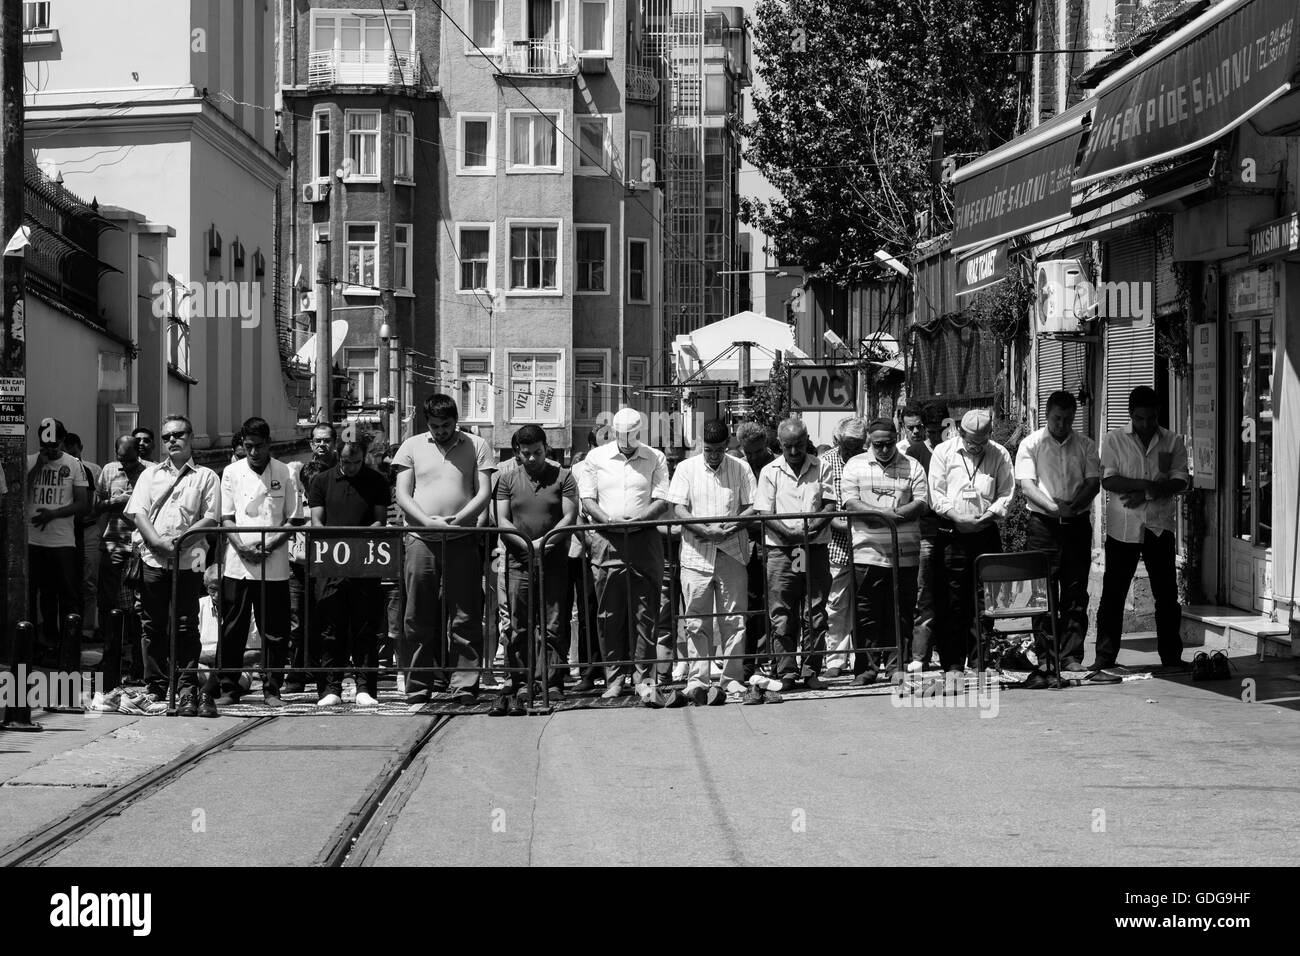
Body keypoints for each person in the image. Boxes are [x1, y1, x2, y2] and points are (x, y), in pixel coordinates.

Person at [394, 393, 495, 708]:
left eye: (446, 425)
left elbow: (484, 492)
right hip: (420, 540)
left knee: (465, 614)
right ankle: (418, 683)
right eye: (435, 426)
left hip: (462, 538)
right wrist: (425, 522)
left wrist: (458, 521)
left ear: (457, 421)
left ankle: (464, 683)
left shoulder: (477, 445)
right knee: (417, 614)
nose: (441, 431)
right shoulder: (411, 446)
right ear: (427, 422)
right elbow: (402, 492)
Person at [125, 414, 221, 717]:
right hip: (154, 558)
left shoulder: (206, 476)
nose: (171, 441)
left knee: (185, 625)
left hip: (190, 559)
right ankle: (155, 685)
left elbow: (211, 516)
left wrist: (182, 542)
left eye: (178, 435)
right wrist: (157, 543)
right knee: (152, 625)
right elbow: (138, 513)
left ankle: (186, 688)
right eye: (166, 437)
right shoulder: (150, 475)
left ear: (190, 437)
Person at [206, 416, 304, 710]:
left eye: (258, 446)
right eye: (248, 446)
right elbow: (227, 517)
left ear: (268, 444)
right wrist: (242, 547)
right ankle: (228, 687)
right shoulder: (231, 473)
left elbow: (294, 519)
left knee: (274, 631)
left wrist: (270, 545)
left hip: (274, 565)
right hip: (238, 564)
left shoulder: (285, 472)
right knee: (232, 629)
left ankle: (272, 687)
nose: (253, 452)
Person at [578, 407, 672, 701]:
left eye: (632, 435)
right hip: (608, 540)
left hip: (644, 540)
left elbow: (662, 498)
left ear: (639, 432)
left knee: (647, 611)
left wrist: (641, 519)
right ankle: (614, 678)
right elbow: (587, 499)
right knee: (609, 613)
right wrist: (606, 520)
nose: (627, 441)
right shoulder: (596, 458)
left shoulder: (655, 457)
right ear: (613, 432)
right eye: (622, 435)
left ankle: (644, 677)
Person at [1094, 386, 1189, 671]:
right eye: (1139, 419)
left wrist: (1148, 494)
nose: (1145, 425)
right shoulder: (1113, 440)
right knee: (1114, 593)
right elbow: (1109, 480)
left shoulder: (1173, 441)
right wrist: (1147, 485)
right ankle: (1104, 657)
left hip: (1159, 526)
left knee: (1167, 596)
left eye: (1150, 418)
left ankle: (1171, 657)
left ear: (1158, 414)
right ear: (1130, 415)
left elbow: (1181, 480)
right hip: (1124, 527)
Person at [1016, 390, 1106, 686]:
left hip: (1077, 522)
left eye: (1068, 419)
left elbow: (1094, 482)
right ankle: (1045, 656)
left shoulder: (1086, 445)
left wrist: (1073, 506)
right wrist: (1054, 507)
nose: (1062, 424)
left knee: (1076, 592)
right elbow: (1027, 486)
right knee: (1041, 593)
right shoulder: (1031, 444)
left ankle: (1071, 656)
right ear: (1047, 415)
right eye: (1057, 418)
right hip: (1043, 524)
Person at [665, 419, 756, 705]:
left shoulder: (740, 467)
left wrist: (733, 525)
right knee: (695, 621)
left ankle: (731, 678)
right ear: (700, 445)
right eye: (708, 449)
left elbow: (753, 504)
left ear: (727, 445)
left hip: (731, 551)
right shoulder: (686, 468)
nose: (714, 455)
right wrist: (702, 529)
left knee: (734, 619)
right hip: (696, 554)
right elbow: (677, 507)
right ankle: (698, 679)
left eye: (718, 449)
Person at [493, 425, 578, 710]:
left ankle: (552, 682)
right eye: (526, 454)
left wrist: (546, 542)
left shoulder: (564, 476)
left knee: (554, 624)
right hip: (519, 561)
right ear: (518, 453)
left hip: (554, 561)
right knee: (519, 624)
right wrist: (527, 545)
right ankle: (520, 681)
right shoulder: (506, 480)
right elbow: (501, 520)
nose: (532, 459)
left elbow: (570, 515)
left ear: (546, 449)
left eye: (537, 453)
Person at [841, 419, 928, 685]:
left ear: (896, 439)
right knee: (866, 613)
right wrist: (883, 515)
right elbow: (850, 502)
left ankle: (895, 666)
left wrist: (895, 515)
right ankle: (866, 668)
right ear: (869, 441)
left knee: (900, 612)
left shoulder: (913, 465)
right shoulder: (854, 465)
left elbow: (922, 502)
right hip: (867, 553)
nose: (884, 449)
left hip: (905, 553)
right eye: (878, 445)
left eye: (889, 444)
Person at [928, 409, 1014, 676]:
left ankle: (980, 662)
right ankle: (952, 663)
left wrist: (986, 517)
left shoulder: (999, 453)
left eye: (982, 441)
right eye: (971, 441)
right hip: (952, 533)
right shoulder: (943, 452)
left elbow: (1006, 493)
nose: (976, 447)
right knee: (952, 600)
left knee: (985, 600)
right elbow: (936, 493)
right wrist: (958, 517)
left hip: (985, 532)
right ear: (961, 432)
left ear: (989, 435)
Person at [753, 417, 835, 693]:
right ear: (780, 444)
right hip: (780, 551)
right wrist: (790, 534)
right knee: (782, 614)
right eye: (788, 446)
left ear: (806, 440)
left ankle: (812, 669)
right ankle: (786, 670)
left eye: (799, 445)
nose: (794, 452)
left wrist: (811, 529)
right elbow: (765, 512)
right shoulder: (769, 471)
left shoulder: (821, 467)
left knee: (815, 612)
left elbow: (829, 504)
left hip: (814, 548)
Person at [309, 439, 390, 707]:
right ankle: (330, 687)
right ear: (338, 456)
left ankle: (365, 687)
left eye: (356, 462)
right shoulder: (321, 481)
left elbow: (381, 519)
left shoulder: (377, 481)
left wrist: (362, 535)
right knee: (330, 626)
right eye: (346, 462)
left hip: (365, 559)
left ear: (363, 457)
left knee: (365, 626)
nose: (351, 467)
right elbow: (317, 521)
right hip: (329, 562)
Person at [26, 418, 89, 669]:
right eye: (46, 445)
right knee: (44, 598)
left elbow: (83, 504)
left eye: (55, 445)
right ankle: (47, 644)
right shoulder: (30, 460)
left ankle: (69, 646)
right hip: (34, 541)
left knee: (69, 596)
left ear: (62, 440)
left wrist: (54, 514)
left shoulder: (74, 465)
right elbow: (20, 491)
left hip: (62, 542)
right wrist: (39, 466)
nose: (50, 450)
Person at [286, 422, 337, 693]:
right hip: (297, 563)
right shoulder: (297, 473)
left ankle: (326, 676)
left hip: (329, 561)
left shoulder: (341, 474)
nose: (321, 445)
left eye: (326, 440)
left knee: (327, 621)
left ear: (334, 443)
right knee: (297, 620)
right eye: (316, 440)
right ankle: (296, 674)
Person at [96, 435, 148, 685]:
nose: (125, 465)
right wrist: (114, 502)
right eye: (121, 460)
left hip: (139, 546)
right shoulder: (108, 471)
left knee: (139, 609)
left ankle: (139, 663)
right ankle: (111, 659)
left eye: (130, 460)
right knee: (109, 605)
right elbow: (95, 505)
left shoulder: (150, 471)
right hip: (113, 543)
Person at [820, 417, 866, 677]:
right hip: (837, 547)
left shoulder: (867, 459)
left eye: (857, 445)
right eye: (848, 445)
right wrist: (845, 525)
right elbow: (824, 506)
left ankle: (863, 659)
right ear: (837, 441)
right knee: (836, 606)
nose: (852, 451)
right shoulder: (826, 462)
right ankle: (835, 660)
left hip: (869, 546)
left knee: (865, 606)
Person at [734, 420, 776, 683]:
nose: (752, 457)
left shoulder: (777, 465)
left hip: (780, 543)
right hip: (748, 543)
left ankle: (779, 660)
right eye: (747, 452)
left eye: (757, 451)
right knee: (750, 603)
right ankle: (751, 662)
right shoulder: (737, 465)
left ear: (766, 445)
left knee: (783, 601)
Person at [562, 431, 603, 694]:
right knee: (588, 612)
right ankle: (590, 669)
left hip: (617, 548)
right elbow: (574, 511)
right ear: (591, 446)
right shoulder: (576, 471)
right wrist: (587, 540)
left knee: (616, 610)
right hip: (584, 551)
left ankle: (618, 668)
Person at [899, 403, 939, 672]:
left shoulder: (943, 451)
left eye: (920, 427)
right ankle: (916, 656)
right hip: (919, 533)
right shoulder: (910, 454)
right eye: (911, 427)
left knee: (936, 595)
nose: (917, 432)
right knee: (919, 597)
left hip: (943, 532)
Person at [63, 432, 102, 644]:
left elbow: (97, 504)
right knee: (69, 580)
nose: (73, 459)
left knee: (89, 581)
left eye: (75, 454)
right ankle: (69, 626)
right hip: (68, 529)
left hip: (89, 529)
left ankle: (87, 628)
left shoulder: (92, 470)